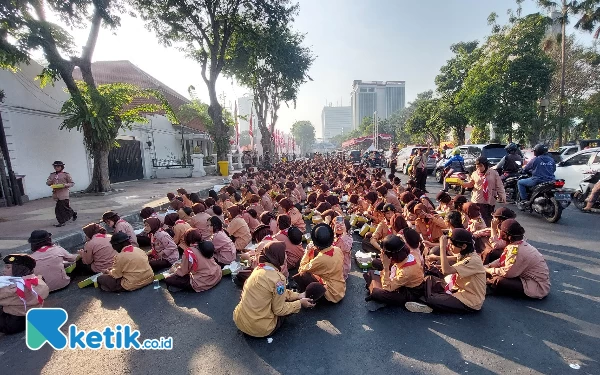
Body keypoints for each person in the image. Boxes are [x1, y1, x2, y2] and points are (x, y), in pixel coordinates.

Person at [233, 241, 316, 337]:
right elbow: (279, 310)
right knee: (285, 309)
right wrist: (300, 303)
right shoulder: (278, 280)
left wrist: (298, 295)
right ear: (278, 256)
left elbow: (275, 291)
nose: (285, 255)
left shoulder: (259, 268)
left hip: (240, 321)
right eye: (284, 253)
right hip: (261, 328)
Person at [406, 229, 486, 314]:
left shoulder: (473, 260)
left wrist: (442, 247)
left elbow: (446, 271)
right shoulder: (466, 253)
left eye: (452, 244)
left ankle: (429, 304)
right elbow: (456, 258)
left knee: (433, 299)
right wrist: (436, 258)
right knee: (430, 279)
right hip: (457, 289)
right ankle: (430, 300)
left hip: (469, 300)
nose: (449, 246)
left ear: (464, 246)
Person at [485, 219, 550, 299]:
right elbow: (503, 259)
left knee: (499, 280)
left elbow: (507, 273)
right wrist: (489, 266)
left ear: (507, 236)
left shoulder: (516, 250)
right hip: (526, 277)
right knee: (492, 264)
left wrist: (489, 270)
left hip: (536, 286)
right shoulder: (518, 244)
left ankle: (486, 287)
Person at [364, 235, 424, 311]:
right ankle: (376, 293)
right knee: (373, 269)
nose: (382, 254)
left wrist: (385, 268)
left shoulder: (406, 272)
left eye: (384, 253)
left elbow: (387, 288)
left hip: (410, 291)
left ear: (392, 256)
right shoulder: (405, 255)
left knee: (377, 292)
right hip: (401, 280)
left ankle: (378, 297)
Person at [293, 223, 346, 304]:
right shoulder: (337, 249)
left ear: (316, 244)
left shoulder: (321, 259)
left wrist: (307, 252)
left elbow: (302, 268)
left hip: (331, 294)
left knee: (303, 274)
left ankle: (307, 297)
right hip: (340, 288)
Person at [0, 254, 49, 334]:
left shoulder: (12, 288)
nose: (3, 270)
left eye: (8, 267)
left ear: (18, 269)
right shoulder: (38, 281)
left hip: (13, 323)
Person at [461, 156, 506, 226]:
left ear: (485, 165)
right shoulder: (474, 174)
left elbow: (499, 185)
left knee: (489, 219)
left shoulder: (494, 173)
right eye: (477, 166)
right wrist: (462, 184)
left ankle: (488, 233)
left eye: (480, 166)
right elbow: (471, 184)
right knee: (480, 220)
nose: (478, 168)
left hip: (490, 200)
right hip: (478, 200)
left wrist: (502, 195)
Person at [518, 144, 556, 209]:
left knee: (520, 182)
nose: (534, 152)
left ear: (538, 151)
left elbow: (526, 168)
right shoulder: (551, 159)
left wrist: (522, 170)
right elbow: (554, 169)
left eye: (535, 151)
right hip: (551, 180)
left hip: (538, 180)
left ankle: (524, 200)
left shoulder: (535, 159)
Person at [46, 161, 77, 227]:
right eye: (55, 166)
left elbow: (72, 183)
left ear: (61, 167)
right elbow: (48, 183)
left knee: (60, 208)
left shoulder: (66, 174)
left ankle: (62, 221)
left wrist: (65, 185)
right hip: (56, 193)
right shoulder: (52, 175)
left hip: (64, 193)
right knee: (65, 207)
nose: (56, 168)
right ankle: (73, 213)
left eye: (58, 166)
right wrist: (50, 181)